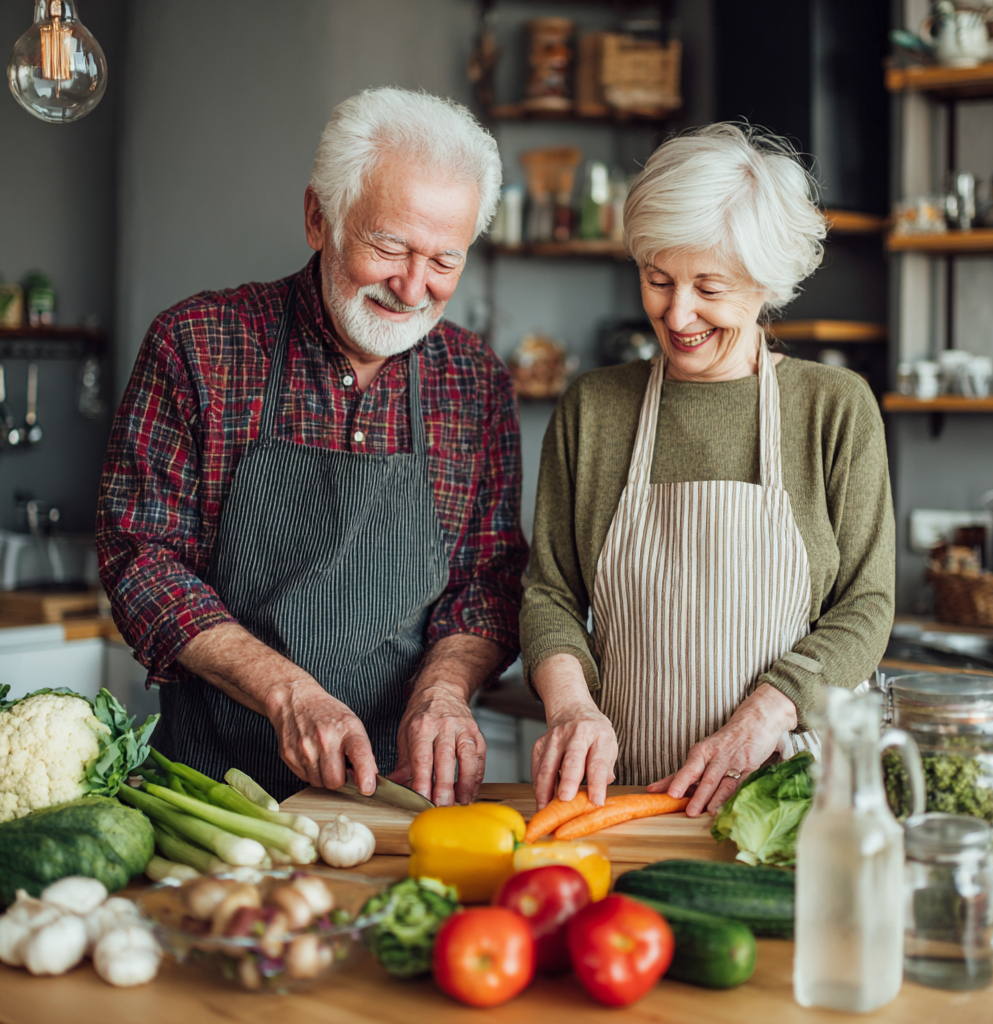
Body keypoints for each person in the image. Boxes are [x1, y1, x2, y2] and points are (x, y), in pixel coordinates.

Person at [97, 88, 528, 805]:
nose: (412, 287)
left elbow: (487, 580)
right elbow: (142, 559)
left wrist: (446, 690)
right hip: (217, 796)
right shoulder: (198, 345)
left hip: (403, 797)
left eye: (443, 260)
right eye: (389, 245)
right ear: (317, 218)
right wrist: (286, 692)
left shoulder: (475, 381)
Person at [521, 124, 894, 817]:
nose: (677, 312)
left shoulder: (833, 408)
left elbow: (867, 605)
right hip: (618, 796)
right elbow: (551, 594)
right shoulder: (595, 408)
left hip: (787, 798)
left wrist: (765, 716)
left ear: (767, 284)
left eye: (709, 288)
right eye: (658, 279)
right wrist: (571, 706)